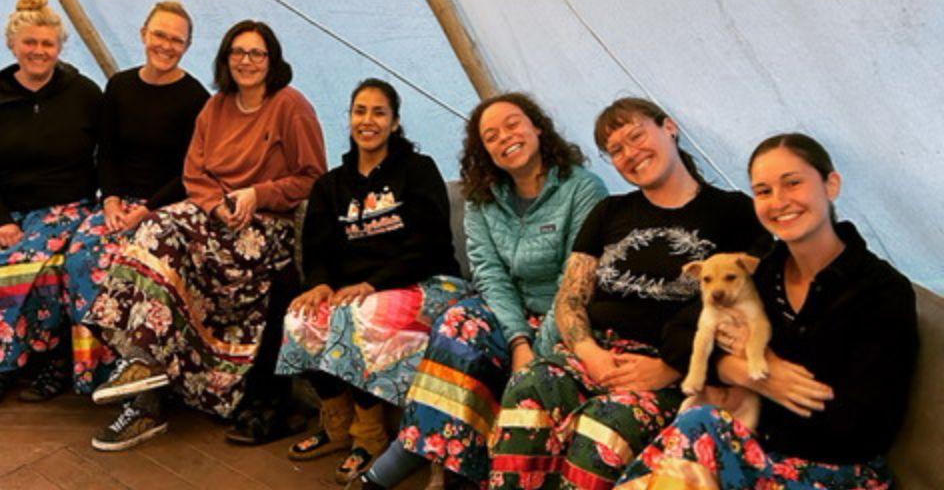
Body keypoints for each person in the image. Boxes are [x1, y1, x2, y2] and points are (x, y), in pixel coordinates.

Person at [488, 97, 770, 489]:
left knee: (607, 427)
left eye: (636, 136)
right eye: (616, 150)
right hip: (593, 352)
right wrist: (590, 354)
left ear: (669, 127)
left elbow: (748, 311)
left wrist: (670, 368)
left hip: (670, 364)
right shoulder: (610, 211)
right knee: (527, 388)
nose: (630, 154)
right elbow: (571, 297)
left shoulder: (733, 211)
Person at [614, 133, 918, 489]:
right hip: (753, 449)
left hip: (838, 468)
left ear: (830, 185)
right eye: (763, 191)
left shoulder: (881, 291)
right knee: (697, 428)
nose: (779, 201)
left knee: (699, 431)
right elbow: (677, 334)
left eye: (793, 183)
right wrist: (740, 370)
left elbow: (866, 426)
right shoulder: (760, 273)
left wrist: (771, 379)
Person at [84, 19, 327, 452]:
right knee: (152, 229)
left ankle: (147, 365)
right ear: (226, 58)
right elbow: (194, 174)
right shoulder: (215, 107)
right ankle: (145, 362)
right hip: (214, 215)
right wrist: (216, 205)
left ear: (272, 60)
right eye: (238, 52)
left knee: (160, 234)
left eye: (257, 53)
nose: (247, 61)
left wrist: (258, 193)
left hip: (264, 226)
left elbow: (313, 177)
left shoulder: (291, 106)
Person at [361, 93, 607, 489]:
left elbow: (575, 283)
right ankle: (428, 459)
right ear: (484, 151)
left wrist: (536, 349)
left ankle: (417, 460)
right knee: (458, 323)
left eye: (513, 124)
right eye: (490, 136)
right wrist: (517, 340)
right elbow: (490, 275)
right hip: (510, 312)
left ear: (537, 127)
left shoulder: (582, 189)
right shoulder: (484, 196)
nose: (504, 137)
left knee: (516, 371)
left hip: (567, 315)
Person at [273, 78, 469, 484]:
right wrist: (320, 283)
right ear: (349, 119)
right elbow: (318, 250)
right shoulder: (331, 185)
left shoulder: (417, 170)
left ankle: (370, 435)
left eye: (379, 113)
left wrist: (374, 283)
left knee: (360, 317)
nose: (368, 120)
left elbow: (430, 242)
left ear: (395, 122)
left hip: (426, 282)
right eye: (360, 111)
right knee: (300, 318)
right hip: (359, 292)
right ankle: (336, 423)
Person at [0, 0, 102, 408]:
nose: (38, 51)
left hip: (65, 208)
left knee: (48, 269)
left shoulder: (84, 94)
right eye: (30, 42)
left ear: (59, 48)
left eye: (47, 43)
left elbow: (111, 151)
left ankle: (53, 362)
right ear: (13, 45)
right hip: (4, 209)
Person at [63, 0, 209, 394]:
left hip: (166, 207)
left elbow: (190, 172)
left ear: (187, 46)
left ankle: (136, 370)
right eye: (159, 34)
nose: (166, 45)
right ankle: (92, 372)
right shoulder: (120, 87)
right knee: (81, 257)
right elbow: (107, 152)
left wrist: (145, 211)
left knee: (130, 263)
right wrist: (110, 200)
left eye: (176, 40)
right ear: (144, 34)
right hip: (119, 202)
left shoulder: (196, 98)